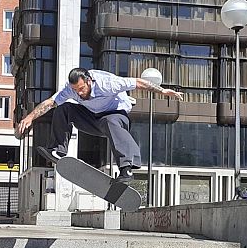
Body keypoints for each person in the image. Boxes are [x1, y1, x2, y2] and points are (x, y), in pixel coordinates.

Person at [17, 67, 183, 183]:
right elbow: (51, 102)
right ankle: (58, 150)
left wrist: (163, 91)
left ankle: (126, 169)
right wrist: (30, 117)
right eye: (76, 91)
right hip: (92, 119)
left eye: (81, 89)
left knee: (110, 121)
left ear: (89, 81)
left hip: (116, 116)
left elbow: (138, 82)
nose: (80, 94)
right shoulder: (70, 89)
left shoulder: (107, 83)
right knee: (64, 108)